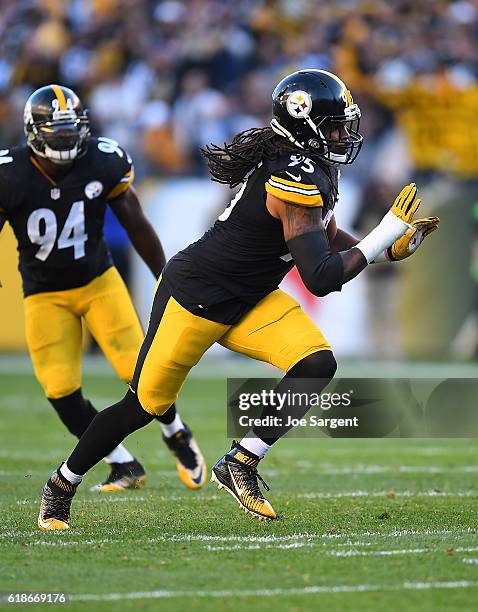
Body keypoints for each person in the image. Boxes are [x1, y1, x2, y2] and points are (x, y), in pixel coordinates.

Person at [37, 70, 439, 528]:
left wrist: (384, 251)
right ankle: (62, 483)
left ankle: (241, 463)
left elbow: (325, 239)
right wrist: (377, 240)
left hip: (249, 298)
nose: (344, 134)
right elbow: (322, 277)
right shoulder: (293, 174)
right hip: (197, 297)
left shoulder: (312, 167)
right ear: (305, 126)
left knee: (315, 364)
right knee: (142, 406)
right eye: (335, 125)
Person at [0, 84, 206, 495]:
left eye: (70, 128)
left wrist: (166, 277)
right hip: (44, 293)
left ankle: (177, 434)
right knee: (59, 389)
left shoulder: (102, 160)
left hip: (99, 282)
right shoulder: (10, 173)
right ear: (33, 132)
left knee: (141, 371)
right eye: (55, 130)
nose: (65, 137)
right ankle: (122, 463)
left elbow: (135, 222)